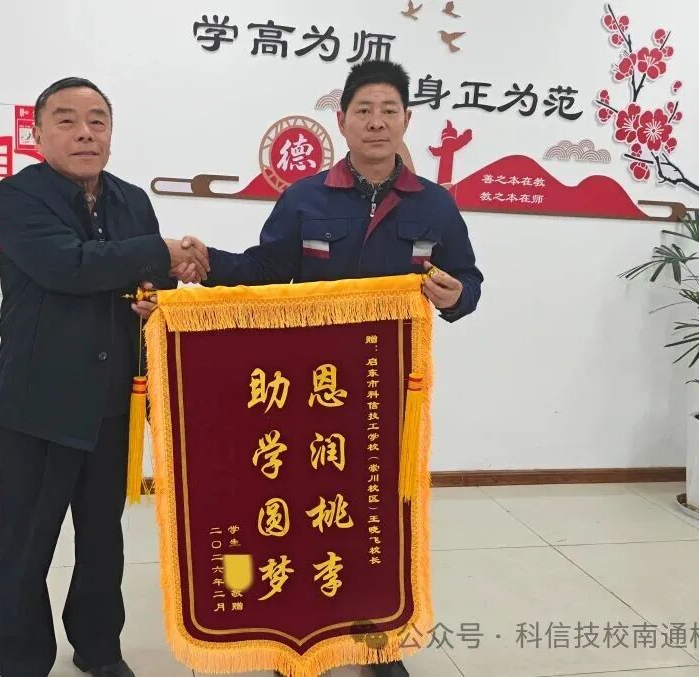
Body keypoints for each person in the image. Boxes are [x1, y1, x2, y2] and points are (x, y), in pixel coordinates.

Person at [176, 59, 483, 676]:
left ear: (407, 120)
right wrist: (208, 264)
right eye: (363, 110)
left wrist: (457, 297)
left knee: (380, 515)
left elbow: (468, 280)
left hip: (385, 390)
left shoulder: (435, 204)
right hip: (307, 390)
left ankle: (378, 639)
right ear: (341, 121)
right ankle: (301, 634)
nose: (376, 122)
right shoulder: (304, 198)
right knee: (304, 508)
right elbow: (266, 271)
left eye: (388, 110)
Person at [0, 76, 209, 677]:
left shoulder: (132, 200)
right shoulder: (19, 196)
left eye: (97, 121)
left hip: (116, 402)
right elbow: (68, 265)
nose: (84, 132)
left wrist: (156, 295)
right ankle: (22, 660)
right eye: (66, 120)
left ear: (111, 133)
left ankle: (99, 649)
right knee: (27, 543)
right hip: (41, 403)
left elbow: (149, 284)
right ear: (38, 134)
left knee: (103, 539)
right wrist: (158, 253)